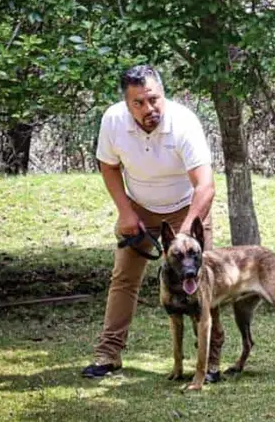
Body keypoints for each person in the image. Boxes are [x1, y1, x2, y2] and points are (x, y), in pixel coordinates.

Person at [81, 65, 221, 380]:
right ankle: (108, 354)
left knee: (202, 281)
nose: (149, 108)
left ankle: (210, 363)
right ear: (127, 104)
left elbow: (206, 186)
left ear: (163, 94)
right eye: (139, 103)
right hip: (140, 208)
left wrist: (185, 233)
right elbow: (108, 167)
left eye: (154, 99)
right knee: (124, 278)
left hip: (187, 209)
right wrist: (125, 211)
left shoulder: (184, 123)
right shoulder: (113, 121)